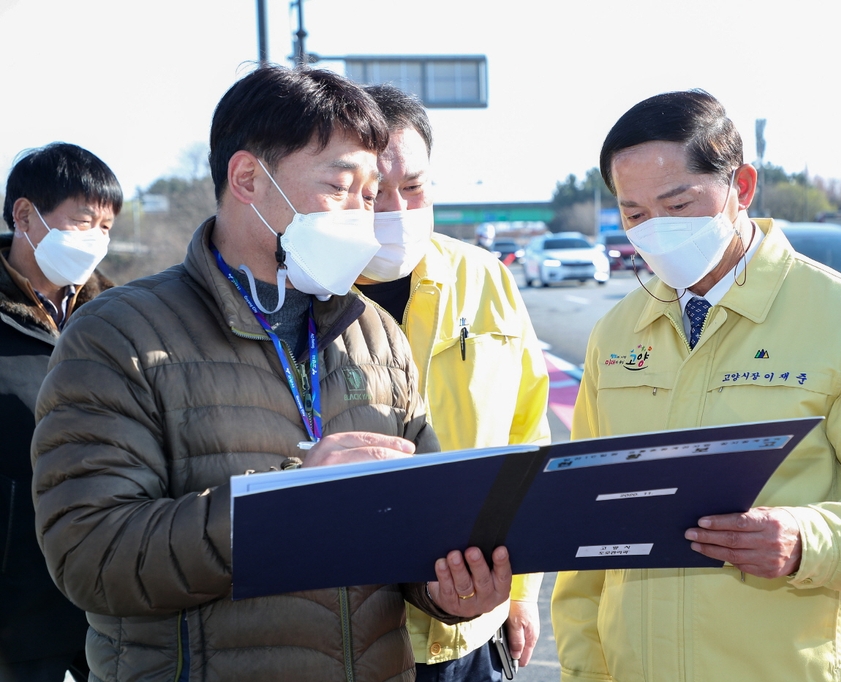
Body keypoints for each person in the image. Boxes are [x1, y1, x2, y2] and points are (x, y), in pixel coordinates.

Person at [31, 66, 511, 682]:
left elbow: (418, 526)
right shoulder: (117, 334)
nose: (363, 216)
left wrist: (445, 589)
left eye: (370, 196)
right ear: (249, 178)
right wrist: (283, 502)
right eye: (341, 187)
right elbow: (91, 557)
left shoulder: (376, 334)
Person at [550, 90, 841, 682]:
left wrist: (808, 539)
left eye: (678, 204)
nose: (656, 231)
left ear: (741, 188)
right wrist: (584, 671)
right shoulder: (615, 336)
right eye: (636, 214)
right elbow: (587, 528)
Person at [357, 84, 550, 681]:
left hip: (473, 625)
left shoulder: (484, 278)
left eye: (413, 188)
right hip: (352, 631)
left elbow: (528, 431)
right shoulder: (300, 290)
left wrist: (520, 592)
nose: (397, 209)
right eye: (371, 194)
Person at [0, 142, 120, 682]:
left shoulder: (121, 321)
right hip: (16, 595)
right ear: (24, 215)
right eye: (82, 222)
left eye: (106, 226)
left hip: (109, 589)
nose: (95, 240)